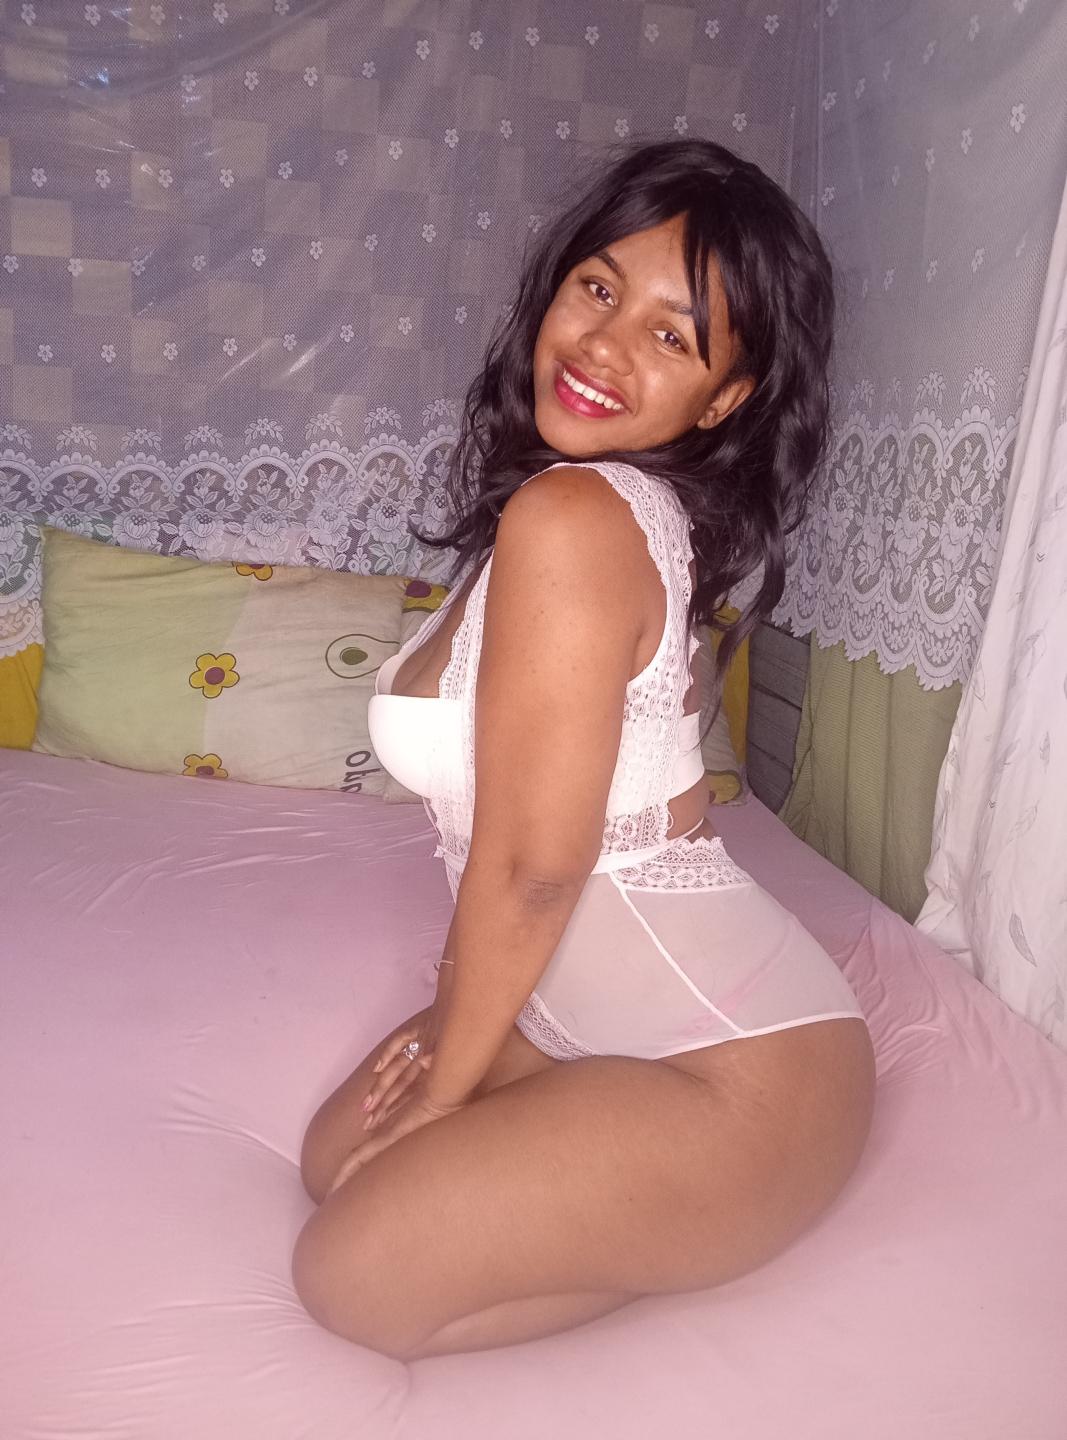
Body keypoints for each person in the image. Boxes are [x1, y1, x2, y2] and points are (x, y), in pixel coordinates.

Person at [293, 139, 876, 1361]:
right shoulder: (560, 503)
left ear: (722, 400)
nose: (604, 346)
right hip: (574, 1017)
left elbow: (533, 870)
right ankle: (624, 1210)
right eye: (597, 288)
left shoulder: (576, 515)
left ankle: (681, 1235)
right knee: (329, 1161)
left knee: (351, 1278)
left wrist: (445, 1093)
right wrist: (459, 1027)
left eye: (670, 335)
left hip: (744, 1078)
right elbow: (503, 836)